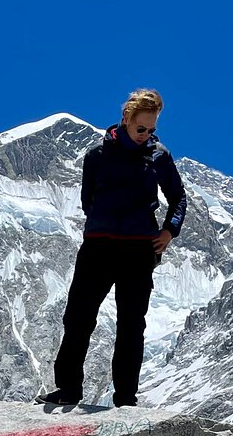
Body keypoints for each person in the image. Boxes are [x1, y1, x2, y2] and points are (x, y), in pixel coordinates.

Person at [39, 88, 187, 408]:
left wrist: (169, 231)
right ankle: (68, 390)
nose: (146, 135)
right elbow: (87, 199)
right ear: (126, 119)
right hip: (98, 248)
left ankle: (125, 400)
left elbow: (178, 198)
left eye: (152, 130)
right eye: (140, 129)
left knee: (131, 325)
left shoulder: (159, 156)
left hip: (138, 252)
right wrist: (105, 225)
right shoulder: (96, 156)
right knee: (78, 318)